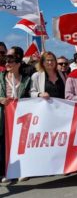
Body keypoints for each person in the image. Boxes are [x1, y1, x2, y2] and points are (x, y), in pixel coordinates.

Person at [0, 53, 31, 183]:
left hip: (21, 116)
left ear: (18, 64)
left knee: (21, 143)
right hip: (4, 115)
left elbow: (31, 95)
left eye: (11, 62)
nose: (7, 64)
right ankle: (8, 171)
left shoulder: (26, 79)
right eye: (6, 62)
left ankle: (22, 170)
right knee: (5, 143)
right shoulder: (1, 78)